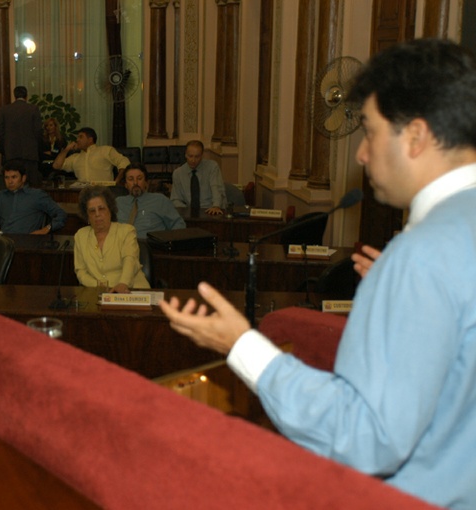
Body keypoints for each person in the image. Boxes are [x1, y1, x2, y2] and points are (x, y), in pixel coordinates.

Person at [159, 39, 476, 509]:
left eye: (369, 132)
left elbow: (365, 439)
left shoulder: (421, 256)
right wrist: (404, 293)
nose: (362, 155)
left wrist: (242, 346)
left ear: (416, 135)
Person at [74, 186, 149, 293]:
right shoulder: (80, 236)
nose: (97, 214)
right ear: (87, 216)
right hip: (97, 293)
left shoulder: (127, 231)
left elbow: (130, 260)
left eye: (101, 208)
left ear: (110, 210)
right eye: (92, 211)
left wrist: (122, 284)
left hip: (131, 290)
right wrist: (101, 287)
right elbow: (81, 271)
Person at [0, 159, 66, 234]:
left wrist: (46, 229)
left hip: (28, 242)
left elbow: (61, 214)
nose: (10, 181)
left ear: (23, 178)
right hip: (4, 242)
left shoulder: (37, 195)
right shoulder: (0, 196)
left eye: (14, 177)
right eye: (7, 178)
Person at [116, 163, 186, 238]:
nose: (135, 183)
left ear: (146, 182)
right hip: (121, 247)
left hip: (150, 246)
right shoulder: (117, 202)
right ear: (125, 184)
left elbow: (178, 224)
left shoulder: (160, 200)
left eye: (139, 178)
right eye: (131, 179)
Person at [0, 86, 43, 187]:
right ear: (26, 96)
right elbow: (38, 132)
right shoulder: (33, 109)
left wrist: (7, 147)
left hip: (11, 155)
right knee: (31, 186)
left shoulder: (5, 110)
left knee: (12, 186)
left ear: (14, 95)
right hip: (30, 155)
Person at [53, 127, 130, 184]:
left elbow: (124, 162)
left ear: (90, 139)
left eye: (81, 137)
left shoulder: (105, 150)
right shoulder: (75, 157)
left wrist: (116, 182)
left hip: (103, 191)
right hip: (81, 193)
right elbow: (56, 166)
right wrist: (67, 149)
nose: (77, 140)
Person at [170, 140, 226, 215]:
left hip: (210, 210)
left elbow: (217, 189)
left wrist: (216, 205)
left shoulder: (212, 167)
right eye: (190, 156)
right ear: (185, 155)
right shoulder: (178, 173)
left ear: (202, 155)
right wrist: (187, 210)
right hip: (188, 211)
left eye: (197, 156)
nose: (193, 160)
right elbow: (175, 199)